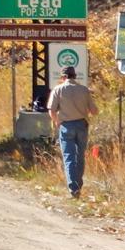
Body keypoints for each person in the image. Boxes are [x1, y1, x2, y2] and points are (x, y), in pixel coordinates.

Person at [47, 65, 99, 198]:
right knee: (79, 156)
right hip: (82, 125)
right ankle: (79, 184)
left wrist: (57, 121)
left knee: (69, 157)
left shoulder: (58, 89)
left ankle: (74, 188)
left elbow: (51, 110)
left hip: (66, 126)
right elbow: (94, 111)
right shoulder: (84, 90)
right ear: (74, 76)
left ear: (63, 77)